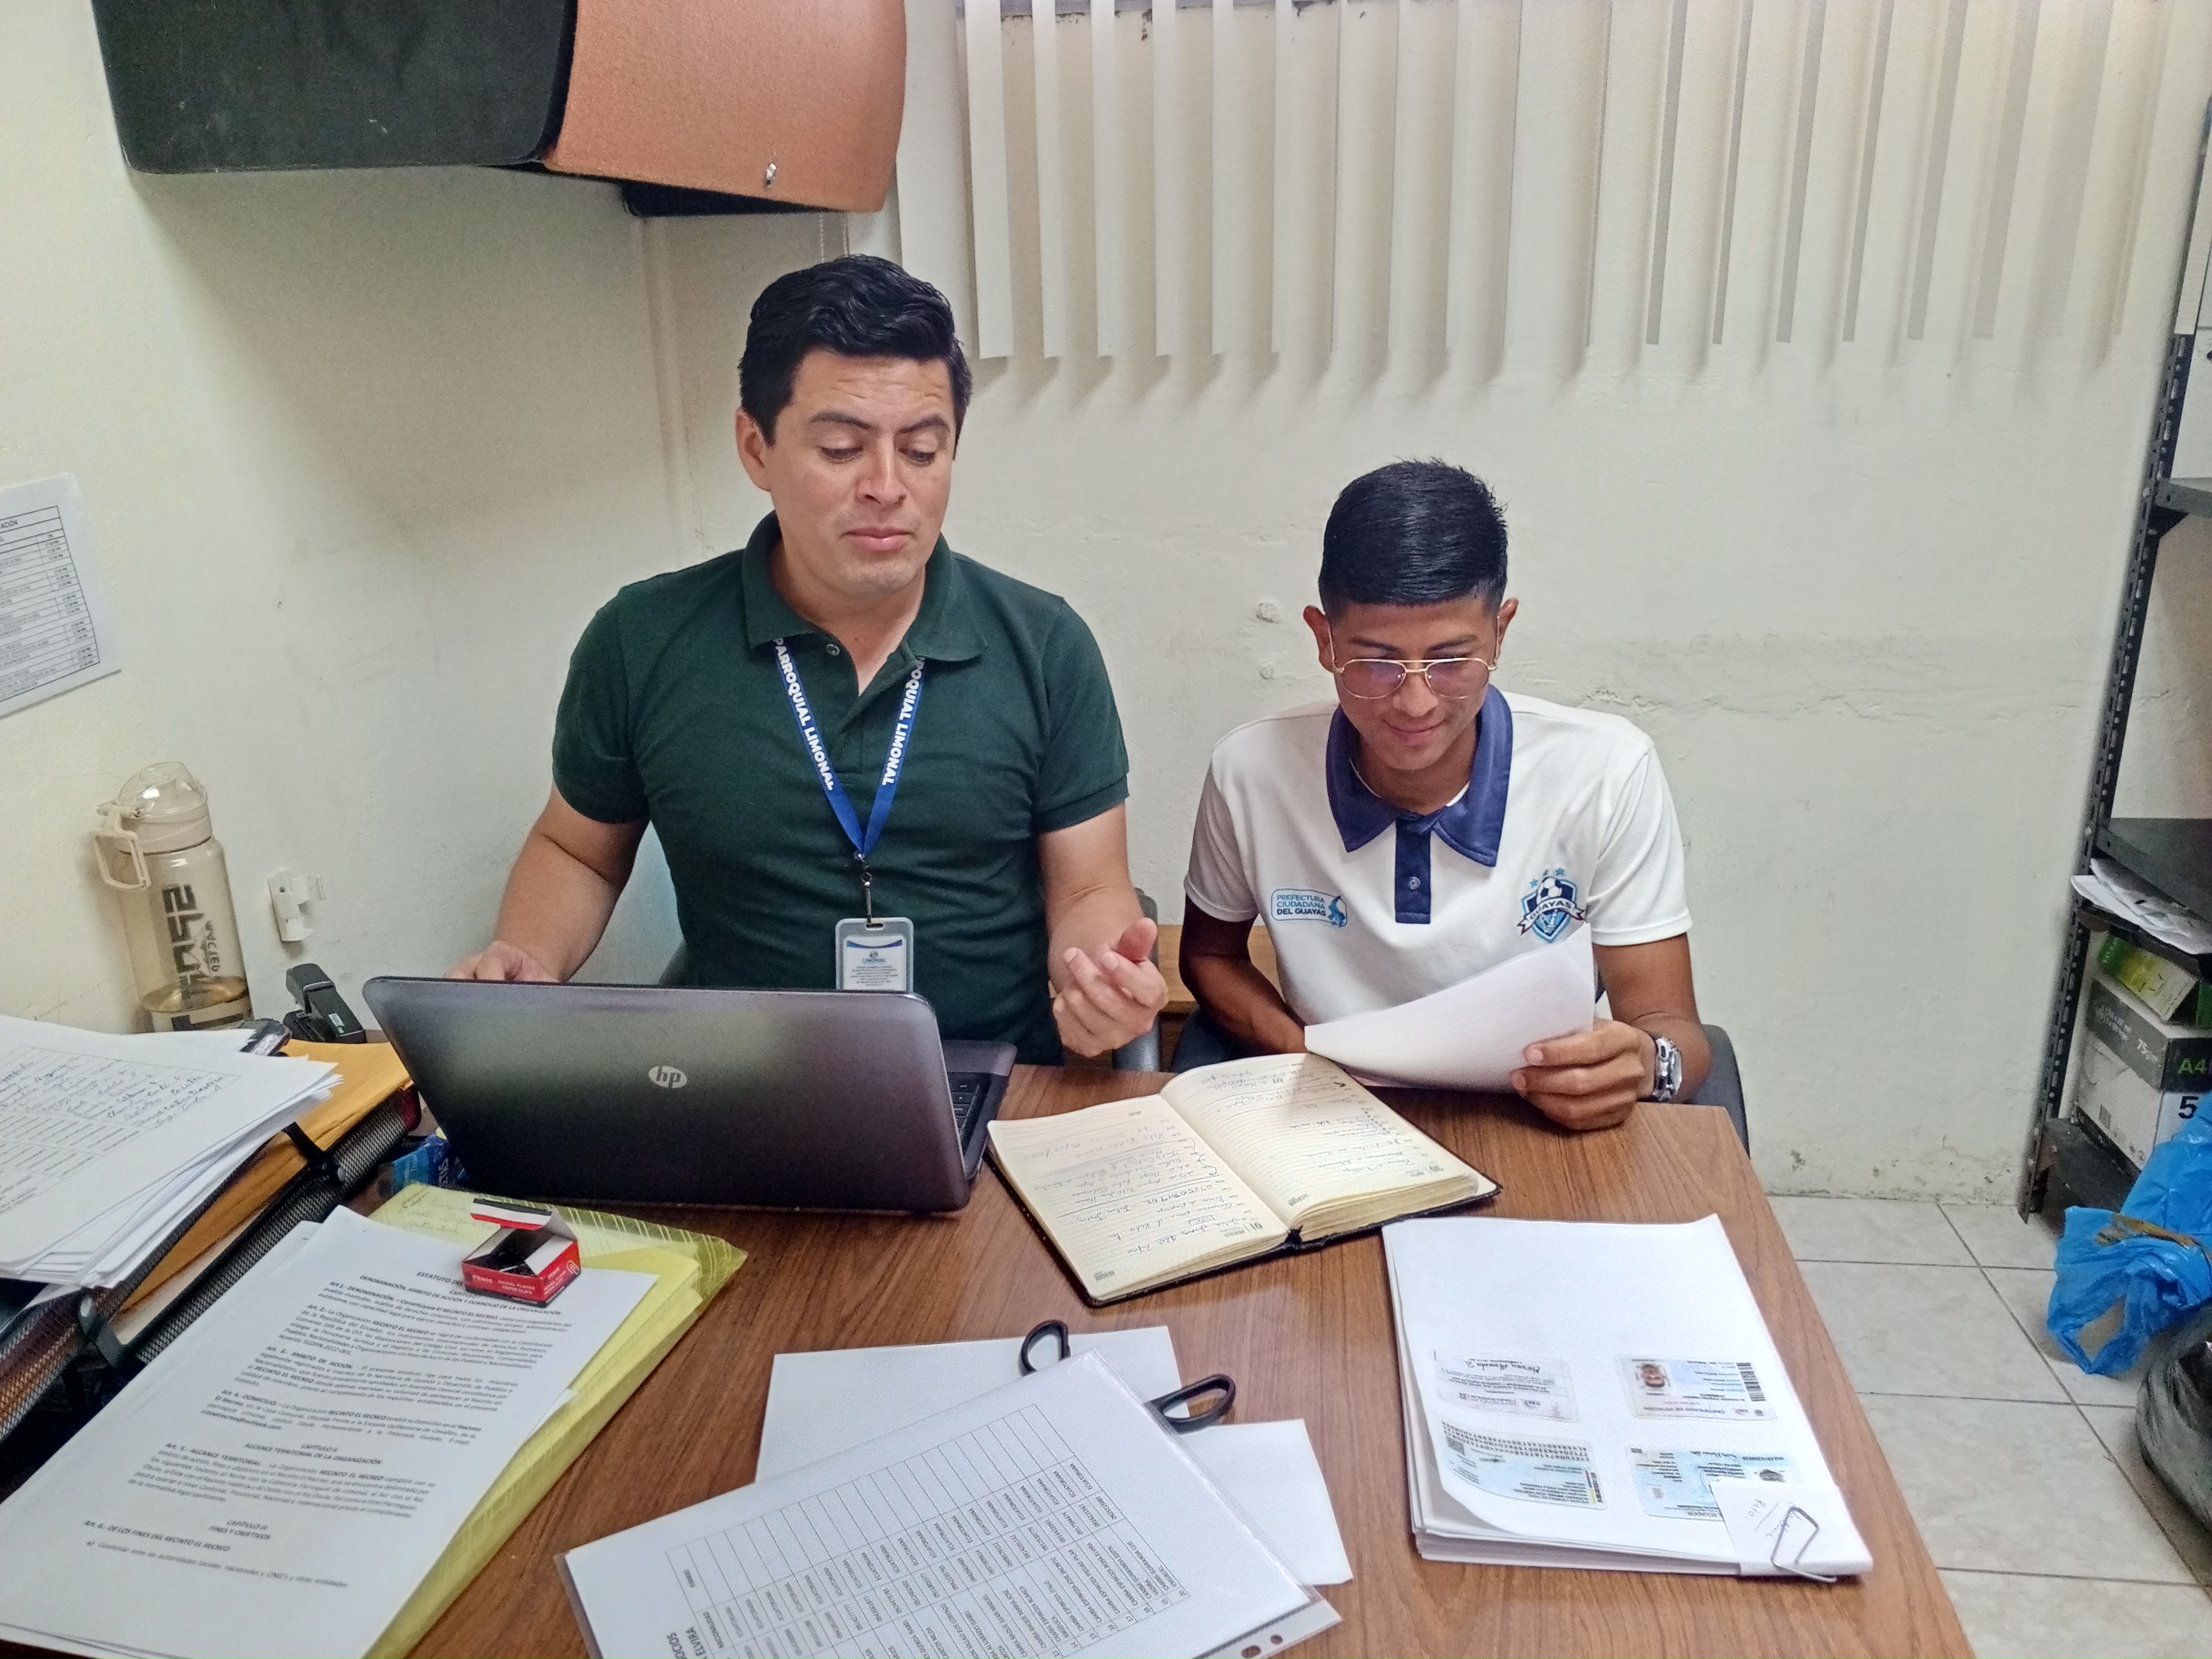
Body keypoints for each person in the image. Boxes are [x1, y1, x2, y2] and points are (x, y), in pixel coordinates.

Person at [452, 256, 1166, 1062]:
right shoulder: (641, 639)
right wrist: (531, 955)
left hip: (989, 1071)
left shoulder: (1044, 645)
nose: (886, 486)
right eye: (840, 448)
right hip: (740, 1080)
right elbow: (577, 850)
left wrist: (1097, 976)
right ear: (755, 448)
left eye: (922, 451)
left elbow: (1090, 884)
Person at [1178, 459, 1710, 1129]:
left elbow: (1671, 1027)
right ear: (1323, 640)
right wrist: (1304, 1060)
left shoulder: (1605, 772)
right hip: (1331, 1121)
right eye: (1374, 662)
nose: (1414, 702)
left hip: (1535, 1120)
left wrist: (1645, 1064)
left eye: (1452, 660)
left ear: (1500, 632)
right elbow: (1209, 955)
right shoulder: (1250, 770)